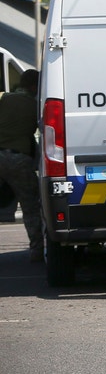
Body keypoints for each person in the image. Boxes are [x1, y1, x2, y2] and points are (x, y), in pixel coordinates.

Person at [0, 69, 43, 262]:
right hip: (19, 160)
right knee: (30, 206)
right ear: (34, 86)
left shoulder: (4, 98)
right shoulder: (36, 106)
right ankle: (36, 249)